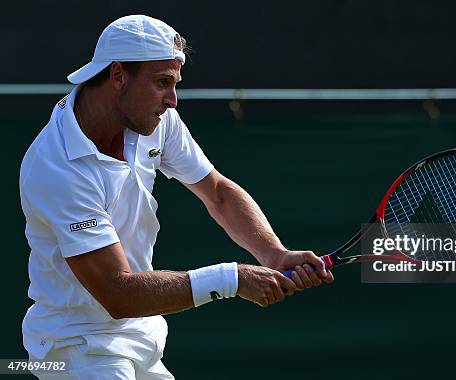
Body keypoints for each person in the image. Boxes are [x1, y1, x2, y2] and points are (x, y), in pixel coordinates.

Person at [19, 14, 333, 379]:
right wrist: (232, 279)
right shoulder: (57, 168)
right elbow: (117, 292)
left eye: (175, 83)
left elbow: (216, 192)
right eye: (162, 83)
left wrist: (273, 253)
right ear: (118, 75)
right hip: (77, 346)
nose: (173, 100)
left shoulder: (153, 118)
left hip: (142, 334)